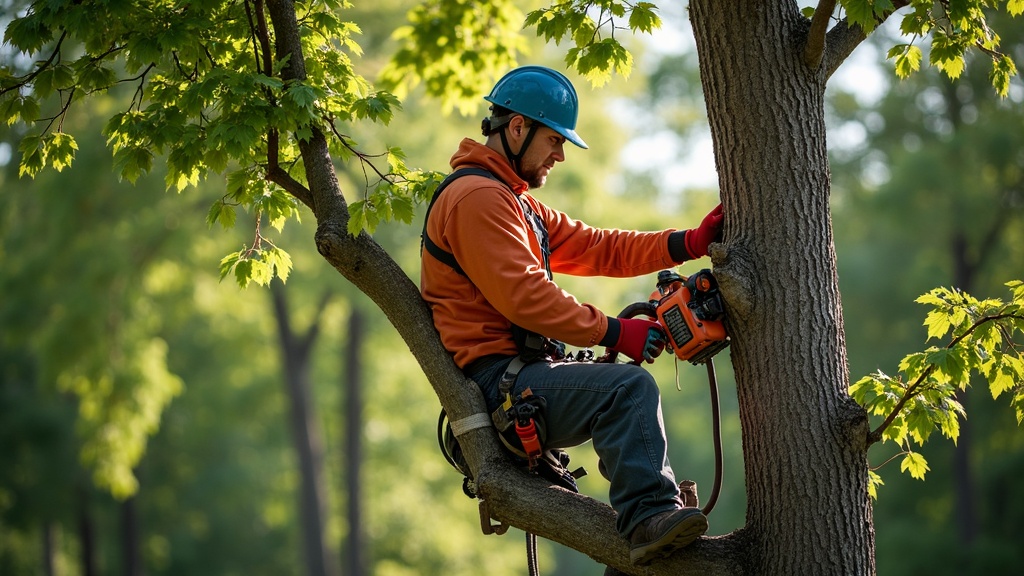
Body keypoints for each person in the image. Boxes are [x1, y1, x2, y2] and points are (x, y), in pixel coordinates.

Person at [420, 65, 723, 566]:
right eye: (554, 140)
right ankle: (649, 515)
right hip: (500, 383)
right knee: (629, 389)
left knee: (620, 388)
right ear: (517, 128)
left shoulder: (516, 204)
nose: (560, 155)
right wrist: (615, 331)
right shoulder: (477, 199)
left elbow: (598, 247)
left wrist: (685, 243)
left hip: (525, 375)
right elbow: (525, 297)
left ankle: (646, 533)